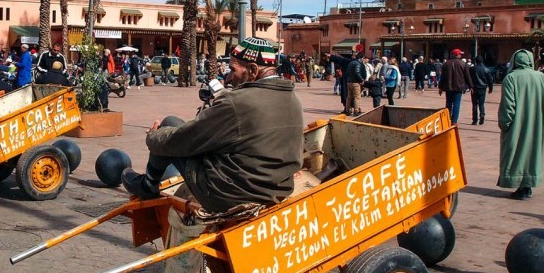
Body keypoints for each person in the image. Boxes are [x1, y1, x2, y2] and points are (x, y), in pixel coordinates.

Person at [121, 37, 303, 213]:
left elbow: (185, 139)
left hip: (231, 194)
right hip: (277, 191)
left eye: (233, 70)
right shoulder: (293, 98)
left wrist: (153, 137)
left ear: (253, 70)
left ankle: (148, 186)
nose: (229, 78)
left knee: (169, 126)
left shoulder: (238, 102)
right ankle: (149, 183)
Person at [497, 49, 544, 200]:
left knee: (516, 152)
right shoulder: (541, 77)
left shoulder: (511, 78)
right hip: (536, 123)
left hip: (516, 124)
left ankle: (520, 185)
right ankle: (528, 185)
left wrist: (505, 123)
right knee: (532, 153)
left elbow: (508, 106)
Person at [438, 49, 473, 124]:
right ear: (457, 55)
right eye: (460, 54)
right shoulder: (463, 64)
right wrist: (471, 86)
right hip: (459, 87)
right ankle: (454, 121)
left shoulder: (446, 64)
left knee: (448, 103)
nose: (461, 55)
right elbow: (467, 76)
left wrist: (440, 87)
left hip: (448, 87)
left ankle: (447, 119)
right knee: (456, 104)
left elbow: (442, 77)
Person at [329, 50, 366, 115]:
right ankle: (356, 110)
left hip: (348, 81)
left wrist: (331, 56)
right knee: (356, 97)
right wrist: (362, 80)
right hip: (355, 82)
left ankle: (348, 110)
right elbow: (358, 73)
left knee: (349, 96)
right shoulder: (356, 63)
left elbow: (339, 60)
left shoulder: (349, 62)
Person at [470, 55, 494, 125]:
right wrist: (490, 88)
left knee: (474, 104)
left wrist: (469, 86)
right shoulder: (486, 69)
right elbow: (490, 80)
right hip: (482, 88)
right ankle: (482, 115)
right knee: (481, 103)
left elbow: (469, 78)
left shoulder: (472, 69)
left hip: (474, 88)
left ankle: (475, 120)